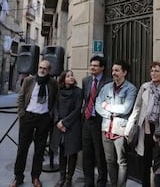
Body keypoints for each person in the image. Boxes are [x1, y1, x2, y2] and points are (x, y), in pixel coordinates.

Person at [124, 61, 160, 187]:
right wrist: (129, 127)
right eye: (151, 70)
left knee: (158, 162)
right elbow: (137, 108)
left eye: (156, 71)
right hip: (145, 129)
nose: (153, 73)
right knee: (144, 161)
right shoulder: (145, 87)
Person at [9, 60, 58, 187]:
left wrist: (51, 116)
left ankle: (36, 177)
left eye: (45, 68)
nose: (42, 70)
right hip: (28, 117)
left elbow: (55, 100)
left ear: (49, 70)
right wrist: (21, 113)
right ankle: (18, 177)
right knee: (22, 148)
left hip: (44, 119)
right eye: (40, 67)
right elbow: (21, 97)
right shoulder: (29, 81)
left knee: (39, 150)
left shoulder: (53, 83)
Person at [95, 60, 137, 187]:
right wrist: (109, 114)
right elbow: (98, 105)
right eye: (113, 70)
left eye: (117, 70)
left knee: (121, 161)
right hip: (106, 128)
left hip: (120, 130)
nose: (114, 73)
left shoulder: (131, 89)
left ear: (125, 72)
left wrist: (107, 106)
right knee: (109, 160)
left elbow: (126, 109)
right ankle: (113, 184)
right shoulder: (106, 87)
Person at [82, 55, 111, 187]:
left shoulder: (108, 82)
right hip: (87, 121)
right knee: (87, 153)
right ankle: (88, 182)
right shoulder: (86, 80)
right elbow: (85, 99)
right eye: (91, 65)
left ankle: (101, 182)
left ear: (102, 68)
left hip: (100, 122)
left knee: (100, 154)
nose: (92, 67)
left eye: (95, 65)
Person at [51, 70, 83, 187]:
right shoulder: (59, 92)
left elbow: (77, 109)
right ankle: (62, 178)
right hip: (60, 126)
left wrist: (65, 122)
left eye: (72, 76)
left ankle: (69, 179)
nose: (71, 78)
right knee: (62, 152)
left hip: (72, 126)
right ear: (63, 79)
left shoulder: (78, 92)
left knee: (72, 153)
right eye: (68, 76)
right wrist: (58, 122)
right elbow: (55, 108)